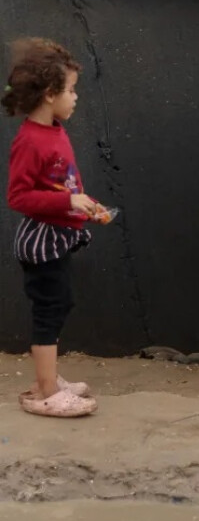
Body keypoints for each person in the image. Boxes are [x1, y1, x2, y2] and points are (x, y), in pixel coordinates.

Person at [3, 38, 99, 417]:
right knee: (49, 309)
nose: (75, 97)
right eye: (71, 90)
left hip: (58, 236)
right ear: (49, 94)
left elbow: (61, 183)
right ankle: (46, 391)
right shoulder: (29, 140)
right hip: (41, 242)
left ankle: (49, 379)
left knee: (60, 303)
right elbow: (18, 197)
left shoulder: (54, 130)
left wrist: (83, 204)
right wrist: (67, 203)